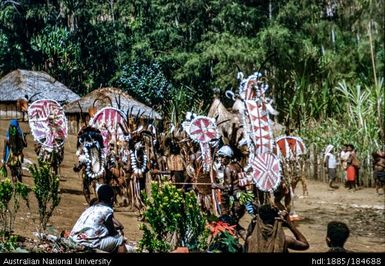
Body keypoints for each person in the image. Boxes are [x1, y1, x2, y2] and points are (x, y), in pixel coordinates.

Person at [69, 184, 127, 253]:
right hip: (88, 243)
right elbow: (112, 232)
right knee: (119, 239)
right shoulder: (107, 210)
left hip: (73, 239)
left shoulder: (90, 208)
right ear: (111, 199)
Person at [212, 145, 247, 238]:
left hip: (234, 202)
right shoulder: (239, 165)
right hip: (241, 199)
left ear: (227, 157)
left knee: (231, 226)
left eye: (222, 157)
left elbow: (228, 187)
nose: (220, 159)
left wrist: (216, 185)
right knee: (235, 225)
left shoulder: (228, 168)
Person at [245, 204, 309, 252]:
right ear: (276, 219)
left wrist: (252, 225)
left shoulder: (250, 240)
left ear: (259, 219)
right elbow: (305, 245)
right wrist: (289, 224)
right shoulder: (285, 240)